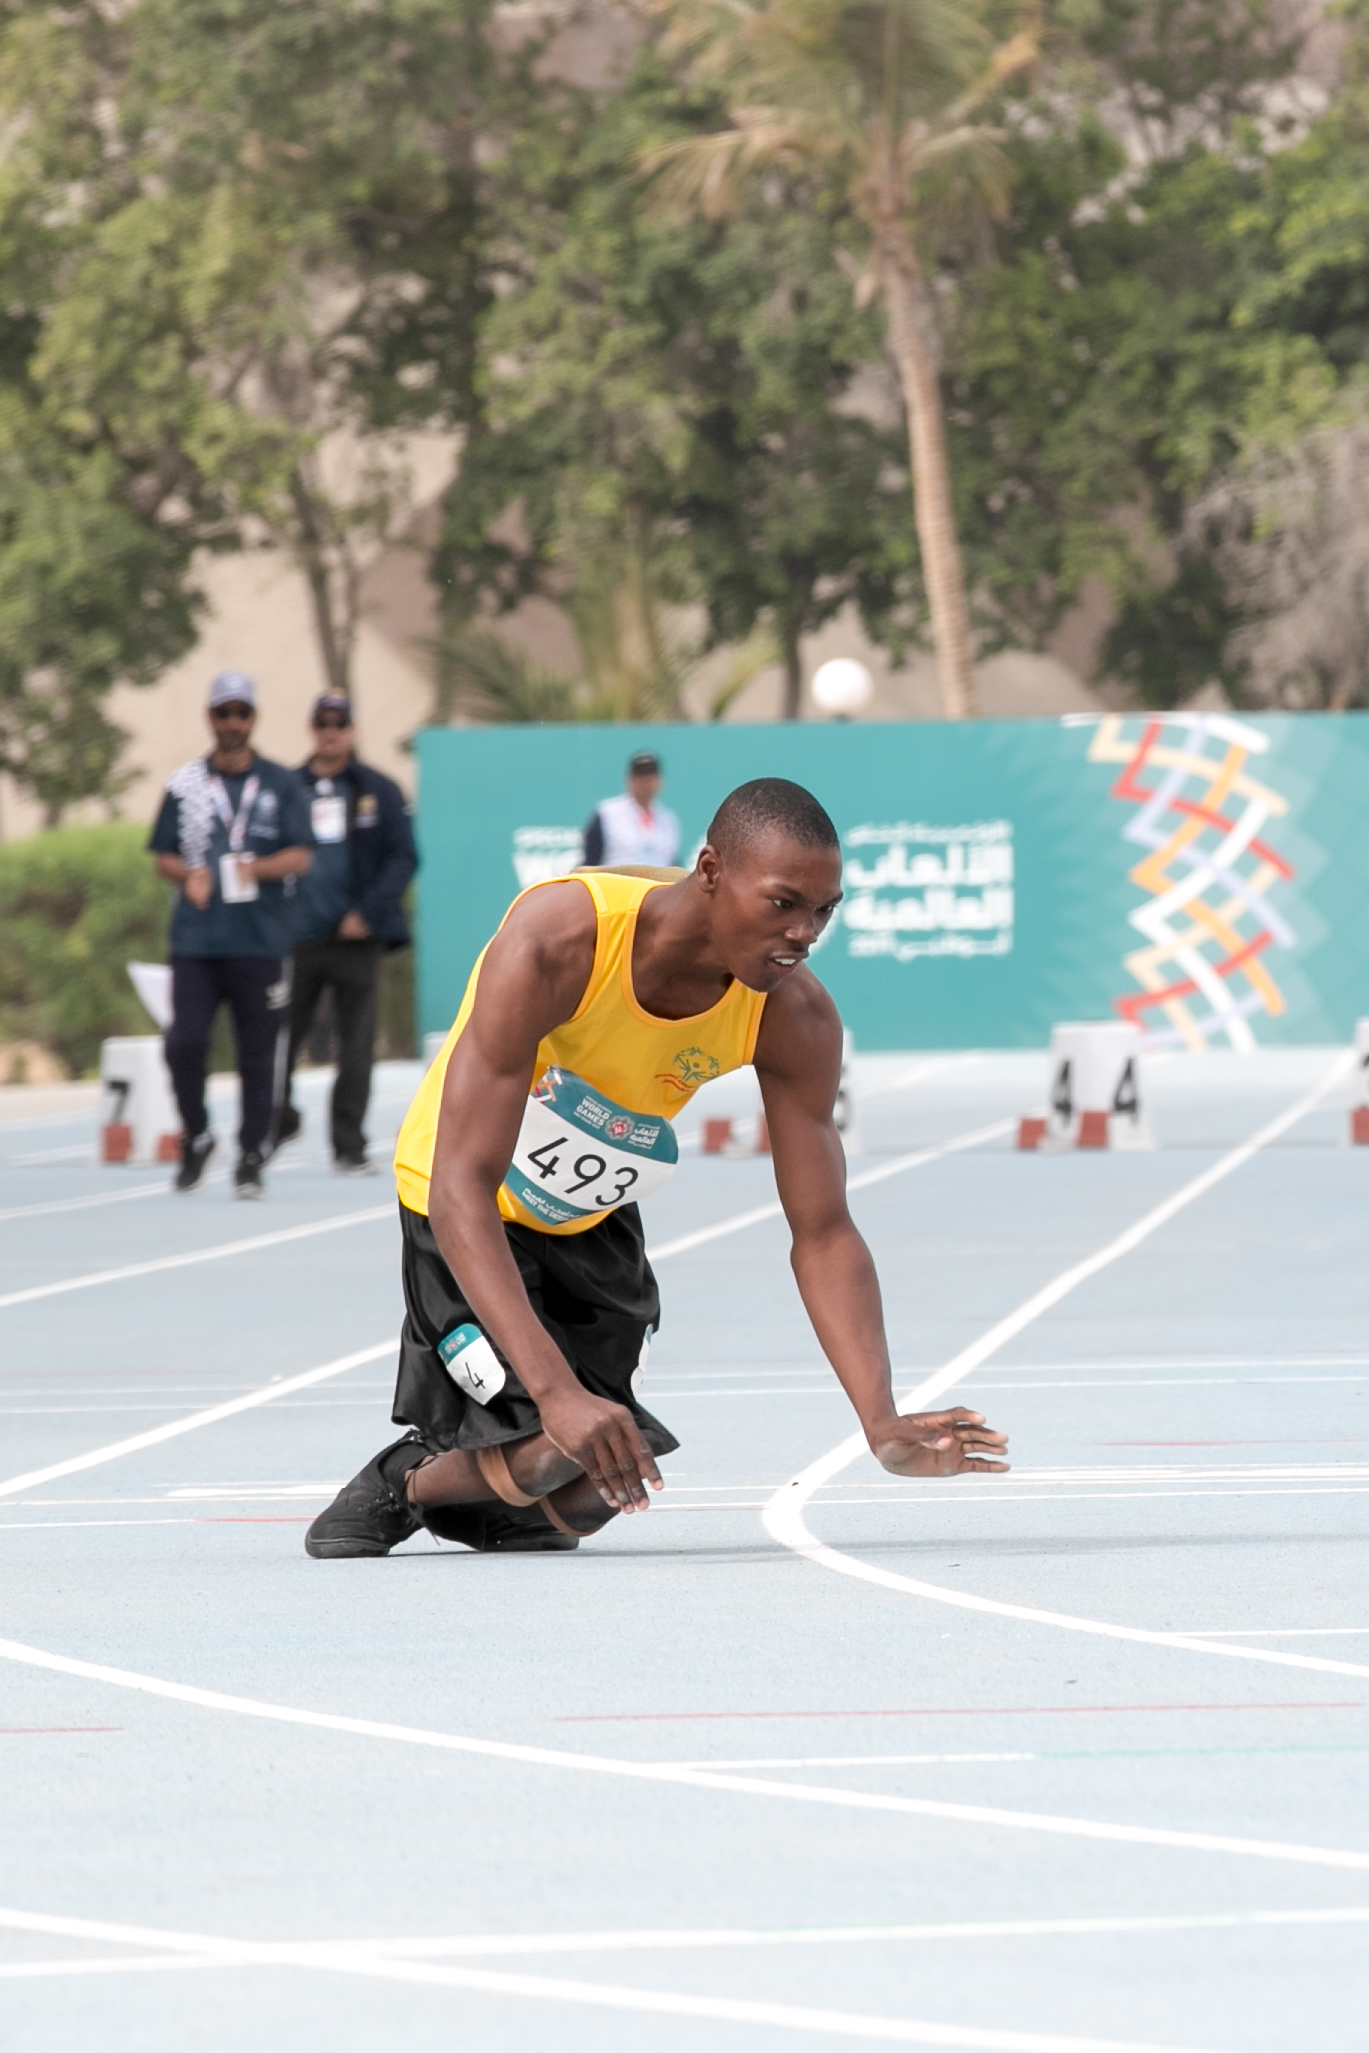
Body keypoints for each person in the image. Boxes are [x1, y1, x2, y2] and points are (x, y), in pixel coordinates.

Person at [306, 776, 1008, 1559]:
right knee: (561, 1433)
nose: (804, 931)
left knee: (594, 1473)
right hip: (464, 1206)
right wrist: (558, 1391)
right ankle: (405, 1478)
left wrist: (879, 1419)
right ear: (709, 870)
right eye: (782, 902)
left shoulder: (791, 1013)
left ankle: (488, 1498)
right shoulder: (556, 943)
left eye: (823, 910)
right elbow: (460, 1184)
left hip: (587, 1215)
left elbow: (823, 1229)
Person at [150, 673, 312, 1199]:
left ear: (254, 718)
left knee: (259, 1053)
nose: (232, 723)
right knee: (184, 1043)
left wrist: (257, 869)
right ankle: (196, 1134)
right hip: (197, 940)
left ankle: (250, 1154)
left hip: (260, 940)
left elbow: (301, 854)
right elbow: (164, 855)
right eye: (224, 713)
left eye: (241, 713)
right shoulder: (185, 784)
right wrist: (187, 874)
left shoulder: (281, 783)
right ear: (210, 718)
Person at [278, 693, 419, 1175]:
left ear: (353, 729)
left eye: (339, 723)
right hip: (295, 937)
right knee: (279, 1039)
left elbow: (405, 857)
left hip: (355, 936)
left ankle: (349, 1145)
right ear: (310, 727)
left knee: (355, 1044)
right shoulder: (286, 788)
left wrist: (370, 911)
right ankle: (279, 1118)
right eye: (322, 722)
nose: (331, 731)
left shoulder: (377, 788)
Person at [582, 749, 680, 868]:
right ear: (629, 780)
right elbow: (590, 862)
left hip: (658, 884)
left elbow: (673, 864)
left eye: (650, 778)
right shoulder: (607, 813)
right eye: (641, 777)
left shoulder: (668, 819)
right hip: (616, 884)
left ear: (659, 781)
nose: (646, 783)